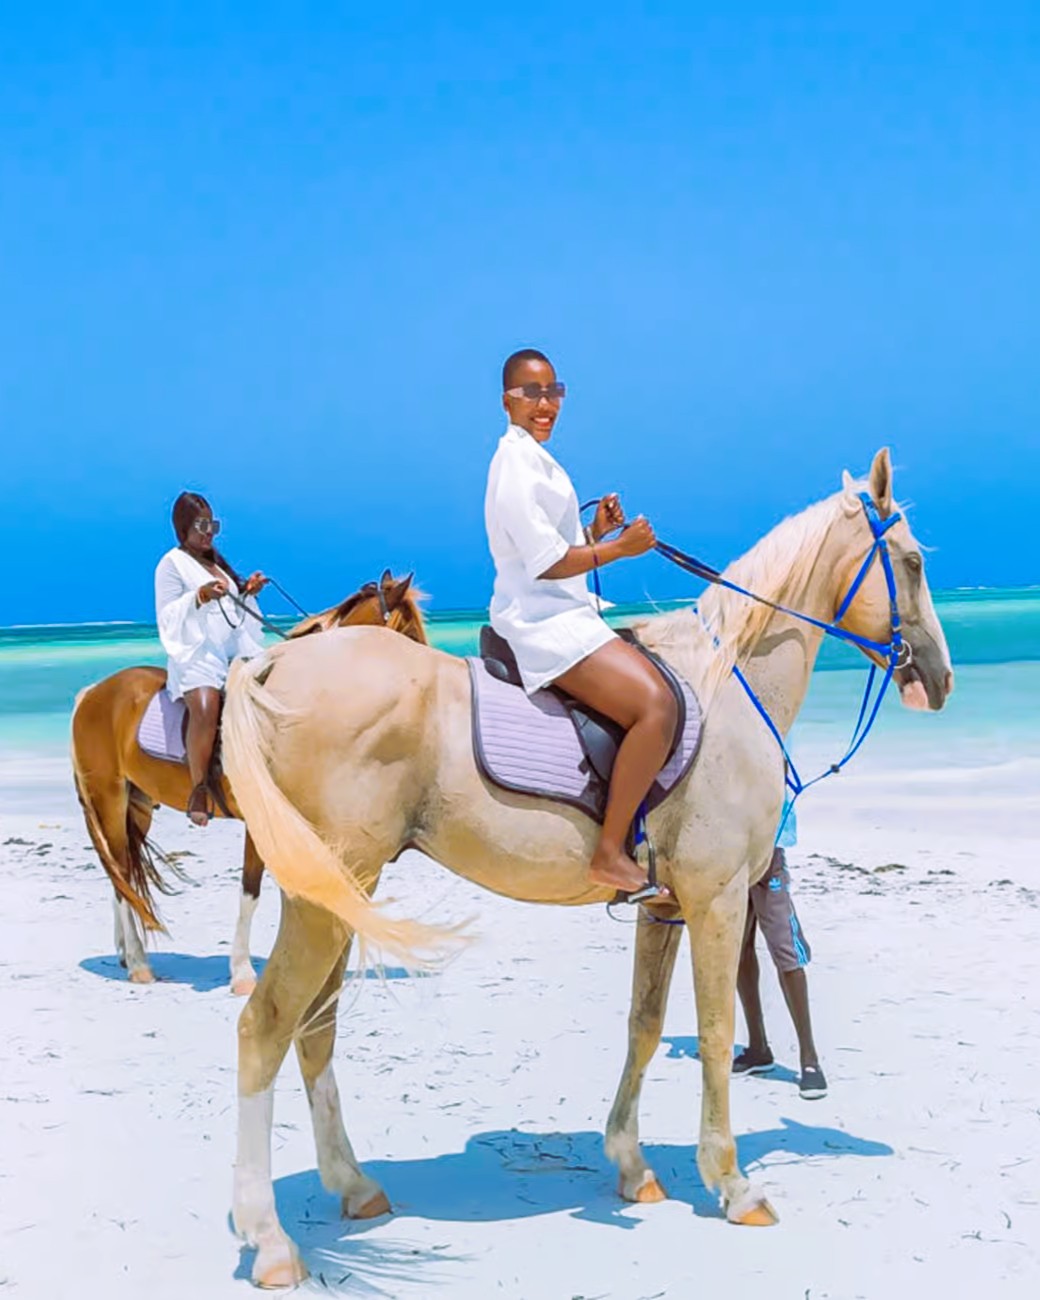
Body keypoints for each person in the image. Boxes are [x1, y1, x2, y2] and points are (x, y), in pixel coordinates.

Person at [484, 348, 676, 903]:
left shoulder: (537, 460)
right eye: (531, 393)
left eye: (553, 392)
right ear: (507, 401)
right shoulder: (515, 465)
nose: (545, 404)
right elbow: (545, 563)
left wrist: (594, 533)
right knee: (656, 707)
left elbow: (551, 547)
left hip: (563, 610)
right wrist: (620, 549)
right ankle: (609, 853)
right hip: (540, 621)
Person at [154, 492, 268, 826]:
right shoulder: (171, 564)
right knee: (206, 707)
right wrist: (198, 597)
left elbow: (232, 614)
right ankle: (199, 788)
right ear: (183, 527)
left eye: (212, 525)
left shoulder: (217, 566)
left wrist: (246, 592)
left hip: (231, 651)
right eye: (202, 526)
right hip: (197, 655)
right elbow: (166, 616)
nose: (209, 533)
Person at [733, 801, 828, 1099]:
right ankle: (758, 1048)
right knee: (737, 948)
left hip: (767, 848)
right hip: (730, 848)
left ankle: (810, 1059)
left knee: (785, 949)